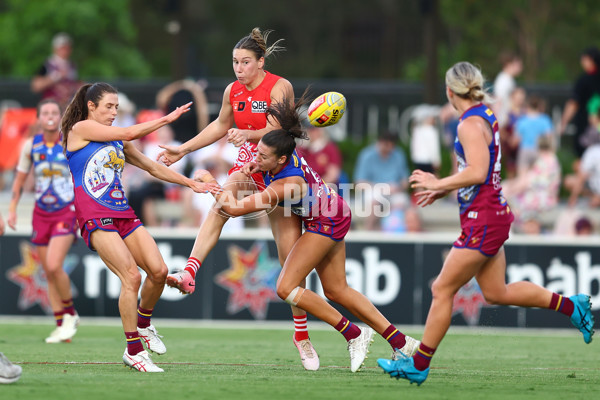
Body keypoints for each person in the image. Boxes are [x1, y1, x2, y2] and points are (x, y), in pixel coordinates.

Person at [377, 62, 595, 386]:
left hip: (484, 218)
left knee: (441, 288)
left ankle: (419, 364)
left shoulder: (467, 124)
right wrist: (447, 190)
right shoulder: (485, 113)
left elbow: (478, 171)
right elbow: (480, 172)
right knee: (496, 292)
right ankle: (571, 306)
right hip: (489, 214)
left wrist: (438, 184)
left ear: (450, 92)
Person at [193, 97, 421, 372]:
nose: (256, 159)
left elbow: (232, 207)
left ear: (280, 159)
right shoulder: (286, 156)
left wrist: (209, 181)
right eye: (257, 153)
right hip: (335, 211)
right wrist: (258, 165)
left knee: (286, 287)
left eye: (262, 156)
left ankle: (354, 334)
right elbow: (266, 165)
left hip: (326, 221)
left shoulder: (286, 185)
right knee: (337, 290)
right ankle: (402, 342)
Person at [157, 28, 321, 370]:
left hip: (279, 167)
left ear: (261, 62)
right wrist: (182, 149)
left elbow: (281, 132)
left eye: (246, 62)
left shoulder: (280, 86)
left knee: (288, 258)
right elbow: (219, 125)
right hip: (249, 162)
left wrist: (247, 132)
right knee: (220, 207)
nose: (239, 68)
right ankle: (190, 271)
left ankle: (302, 336)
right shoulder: (233, 90)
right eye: (235, 62)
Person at [61, 82, 216, 372]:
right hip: (95, 215)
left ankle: (143, 323)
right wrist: (166, 119)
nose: (114, 112)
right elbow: (130, 131)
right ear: (91, 106)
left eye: (117, 107)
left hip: (122, 212)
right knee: (131, 277)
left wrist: (191, 183)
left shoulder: (118, 141)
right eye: (108, 106)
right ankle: (133, 350)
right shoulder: (81, 129)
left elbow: (152, 167)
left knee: (158, 272)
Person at [7, 99, 81, 343]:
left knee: (53, 264)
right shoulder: (31, 145)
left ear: (60, 116)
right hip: (41, 213)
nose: (49, 116)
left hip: (65, 211)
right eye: (45, 112)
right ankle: (62, 325)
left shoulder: (70, 141)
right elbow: (19, 180)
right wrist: (13, 209)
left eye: (54, 112)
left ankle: (70, 314)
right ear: (38, 118)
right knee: (47, 271)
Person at [353, 131, 410, 231]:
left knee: (401, 202)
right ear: (380, 142)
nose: (389, 150)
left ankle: (392, 232)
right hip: (373, 189)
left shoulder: (398, 155)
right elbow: (359, 182)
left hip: (394, 192)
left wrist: (398, 187)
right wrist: (381, 187)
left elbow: (406, 181)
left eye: (392, 147)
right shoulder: (367, 155)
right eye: (387, 146)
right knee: (375, 201)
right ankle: (369, 231)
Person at [560, 46, 600, 159]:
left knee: (582, 160)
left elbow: (573, 103)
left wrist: (563, 122)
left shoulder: (584, 80)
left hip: (586, 129)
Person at [31, 33, 80, 110]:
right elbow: (36, 86)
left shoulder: (72, 66)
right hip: (50, 106)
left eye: (67, 48)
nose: (65, 51)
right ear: (55, 48)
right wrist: (56, 77)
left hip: (67, 107)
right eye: (63, 48)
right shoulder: (47, 64)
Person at [513, 94, 553, 176]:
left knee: (522, 177)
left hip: (525, 150)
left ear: (528, 106)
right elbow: (549, 137)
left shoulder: (522, 120)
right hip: (540, 150)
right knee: (539, 176)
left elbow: (516, 139)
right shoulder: (545, 120)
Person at [492, 52, 522, 128]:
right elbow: (498, 100)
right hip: (502, 123)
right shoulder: (503, 80)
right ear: (509, 64)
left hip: (507, 121)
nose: (520, 67)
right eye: (517, 64)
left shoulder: (509, 79)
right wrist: (495, 121)